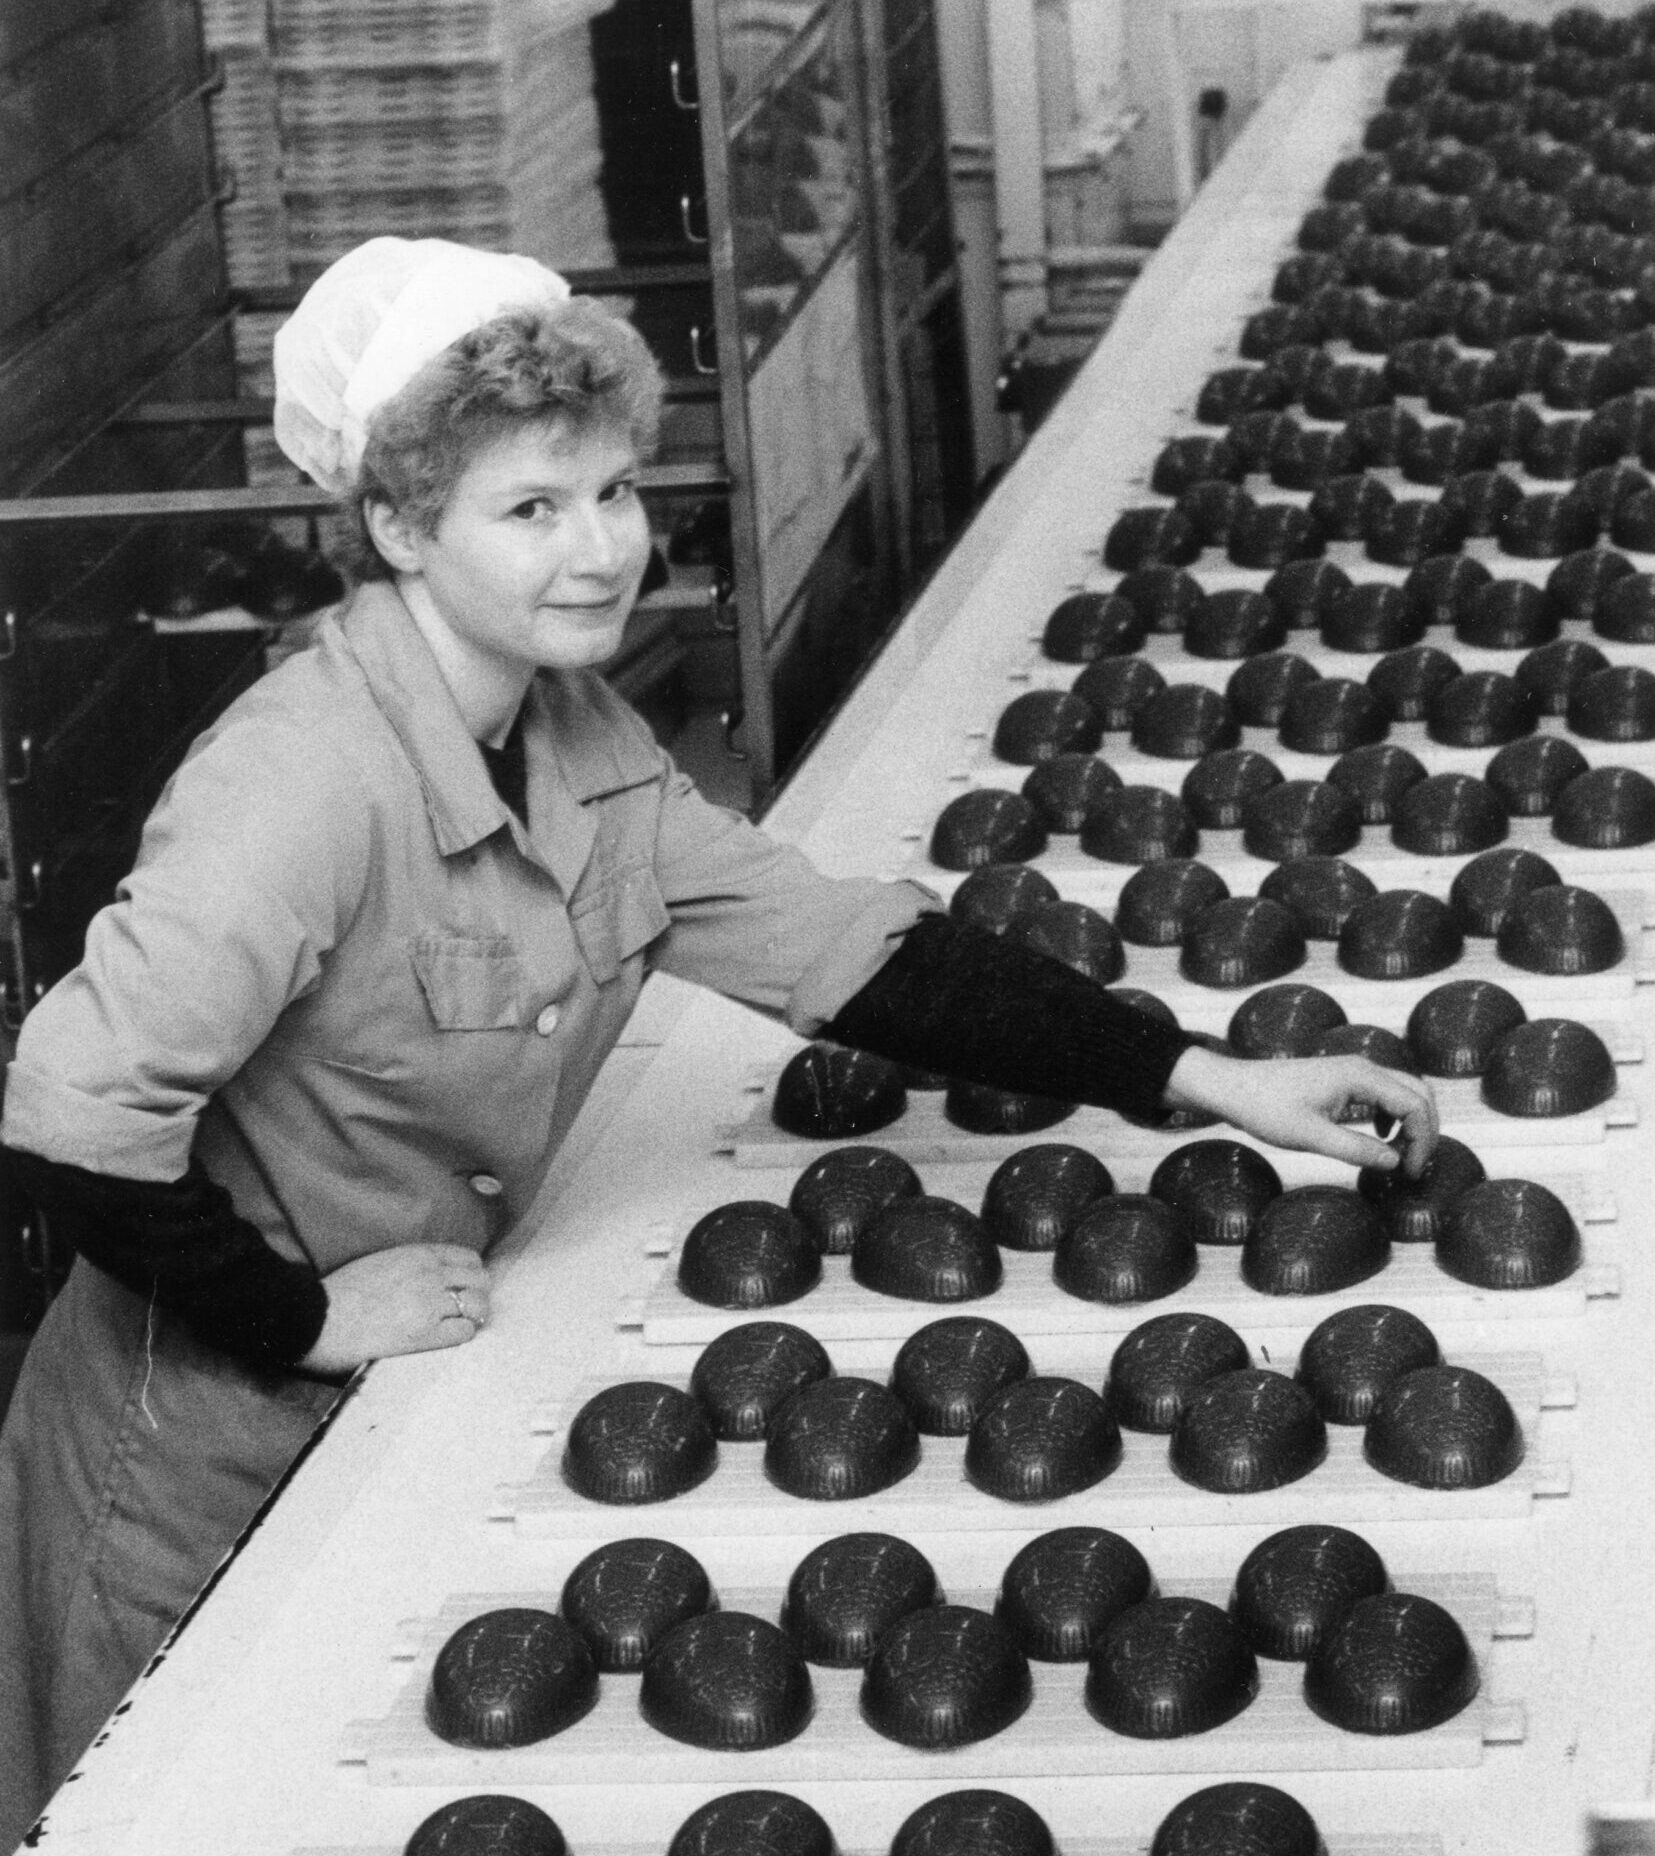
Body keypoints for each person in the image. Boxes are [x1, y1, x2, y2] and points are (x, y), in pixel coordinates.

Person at [0, 238, 1437, 1844]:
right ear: (398, 529)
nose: (602, 548)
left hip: (407, 1366)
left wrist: (1214, 1077)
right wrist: (299, 1319)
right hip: (190, 1430)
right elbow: (66, 1116)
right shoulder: (304, 778)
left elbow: (857, 954)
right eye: (529, 510)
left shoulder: (570, 735)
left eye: (613, 491)